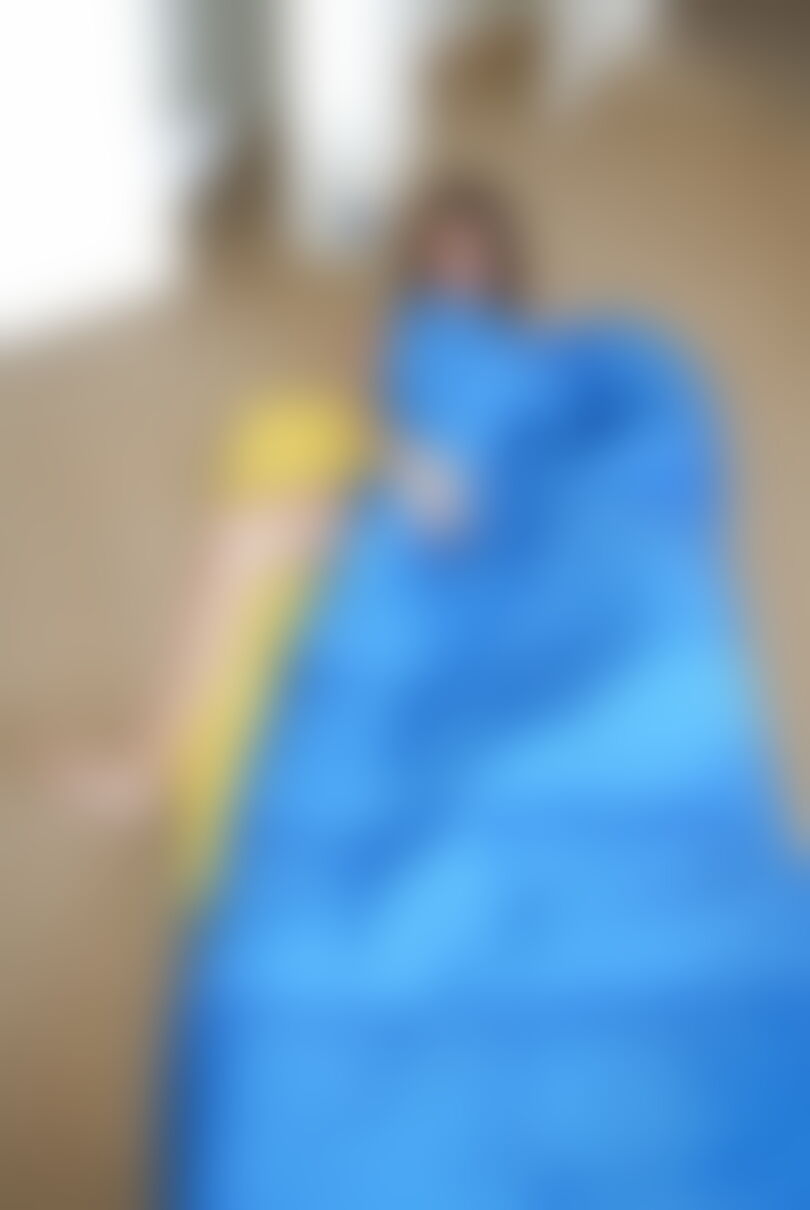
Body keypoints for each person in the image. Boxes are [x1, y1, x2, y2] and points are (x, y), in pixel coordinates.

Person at [144, 179, 810, 1207]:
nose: (455, 266)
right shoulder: (377, 365)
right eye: (434, 254)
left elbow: (648, 481)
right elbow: (333, 465)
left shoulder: (569, 371)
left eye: (474, 250)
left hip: (563, 594)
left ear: (510, 276)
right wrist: (396, 466)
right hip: (409, 577)